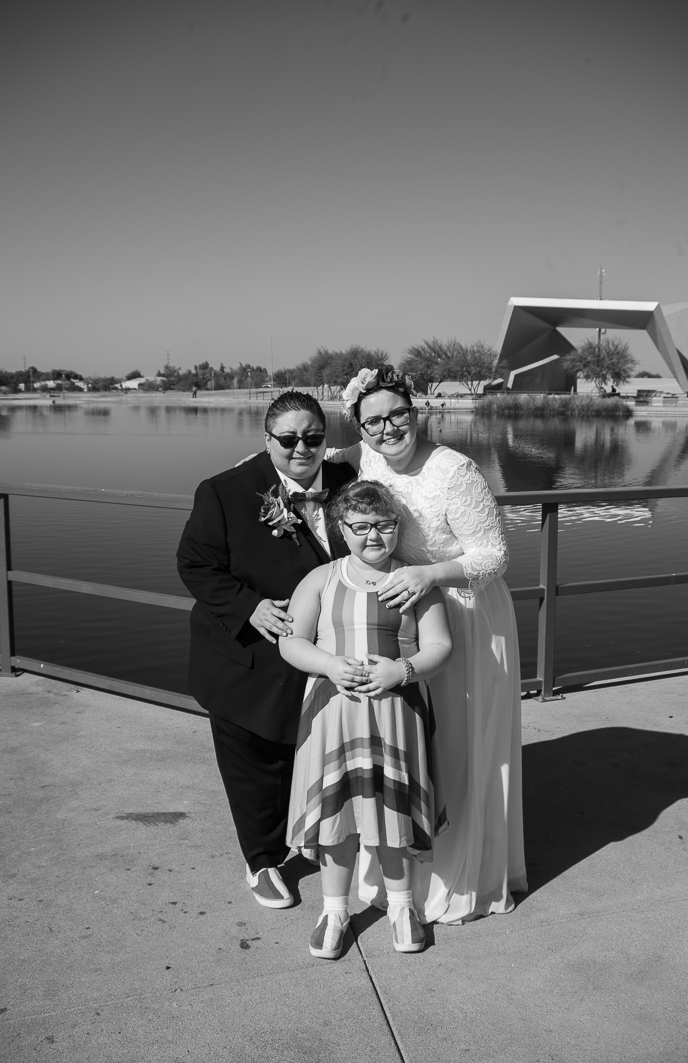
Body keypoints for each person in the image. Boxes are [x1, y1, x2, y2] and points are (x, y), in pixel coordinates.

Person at [326, 365, 527, 924]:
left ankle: (458, 877)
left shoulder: (454, 470)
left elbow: (494, 556)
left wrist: (430, 574)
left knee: (457, 745)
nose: (387, 429)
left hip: (463, 612)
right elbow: (320, 457)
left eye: (397, 415)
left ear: (416, 412)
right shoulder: (368, 457)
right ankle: (400, 871)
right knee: (405, 740)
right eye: (372, 421)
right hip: (404, 616)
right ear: (361, 428)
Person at [177, 392, 355, 911]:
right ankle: (262, 860)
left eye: (313, 437)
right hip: (249, 656)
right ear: (267, 438)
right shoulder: (224, 491)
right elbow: (195, 564)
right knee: (257, 763)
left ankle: (316, 834)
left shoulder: (348, 483)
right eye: (289, 438)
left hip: (324, 652)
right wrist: (248, 607)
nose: (302, 448)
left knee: (319, 752)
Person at [280, 480, 452, 958]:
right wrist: (330, 665)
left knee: (393, 812)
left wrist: (402, 670)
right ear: (341, 528)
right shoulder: (321, 579)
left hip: (398, 714)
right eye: (360, 527)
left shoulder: (415, 582)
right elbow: (291, 642)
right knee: (336, 815)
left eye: (384, 525)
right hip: (333, 714)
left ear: (397, 526)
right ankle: (334, 910)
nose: (373, 536)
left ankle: (401, 907)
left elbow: (441, 647)